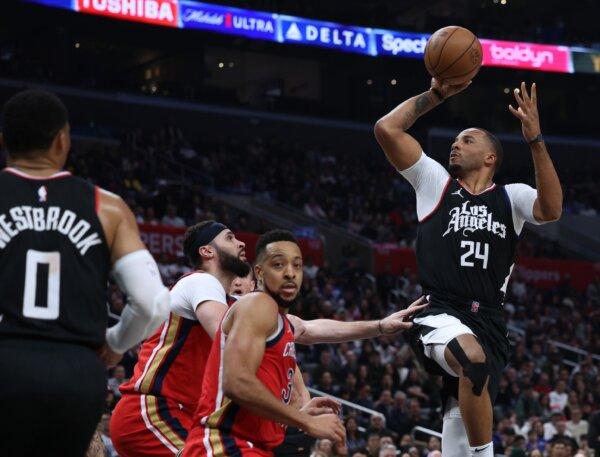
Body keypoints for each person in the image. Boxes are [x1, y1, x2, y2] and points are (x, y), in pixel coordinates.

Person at [111, 223, 427, 457]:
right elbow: (231, 336)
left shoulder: (237, 305)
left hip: (179, 413)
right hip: (151, 409)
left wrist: (380, 326)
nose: (240, 244)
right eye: (230, 238)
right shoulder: (200, 283)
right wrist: (296, 406)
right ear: (207, 251)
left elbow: (306, 329)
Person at [374, 79, 562, 457]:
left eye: (468, 140)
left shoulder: (512, 196)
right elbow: (386, 129)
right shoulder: (435, 183)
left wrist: (535, 139)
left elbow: (552, 209)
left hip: (489, 322)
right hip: (440, 310)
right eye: (455, 140)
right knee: (472, 362)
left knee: (460, 430)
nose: (455, 144)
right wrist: (437, 95)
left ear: (491, 157)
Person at [0, 89, 169, 456]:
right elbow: (152, 303)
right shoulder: (106, 206)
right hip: (76, 371)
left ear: (3, 141)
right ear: (63, 140)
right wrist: (116, 343)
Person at [183, 230, 346, 455]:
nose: (290, 273)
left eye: (297, 266)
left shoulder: (279, 326)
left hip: (256, 438)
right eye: (279, 265)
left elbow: (312, 330)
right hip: (220, 436)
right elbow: (237, 379)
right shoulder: (244, 305)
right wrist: (305, 421)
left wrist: (380, 326)